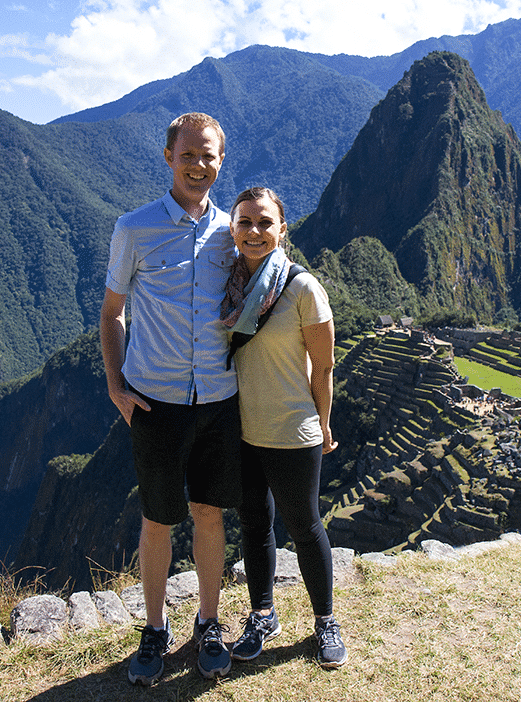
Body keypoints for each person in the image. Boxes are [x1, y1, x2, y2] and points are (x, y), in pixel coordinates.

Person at [100, 112, 240, 685]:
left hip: (218, 401)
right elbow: (112, 313)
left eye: (208, 155)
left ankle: (208, 623)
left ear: (220, 161)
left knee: (210, 514)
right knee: (158, 519)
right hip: (154, 401)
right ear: (168, 157)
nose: (198, 165)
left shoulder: (235, 232)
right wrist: (115, 383)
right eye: (188, 154)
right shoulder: (133, 229)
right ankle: (155, 629)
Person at [220, 186, 348, 668]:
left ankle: (325, 621)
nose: (254, 232)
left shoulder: (303, 288)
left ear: (281, 229)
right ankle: (262, 613)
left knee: (303, 525)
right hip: (242, 428)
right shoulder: (225, 285)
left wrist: (325, 422)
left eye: (264, 223)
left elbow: (324, 367)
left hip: (293, 430)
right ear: (232, 228)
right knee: (254, 524)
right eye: (245, 223)